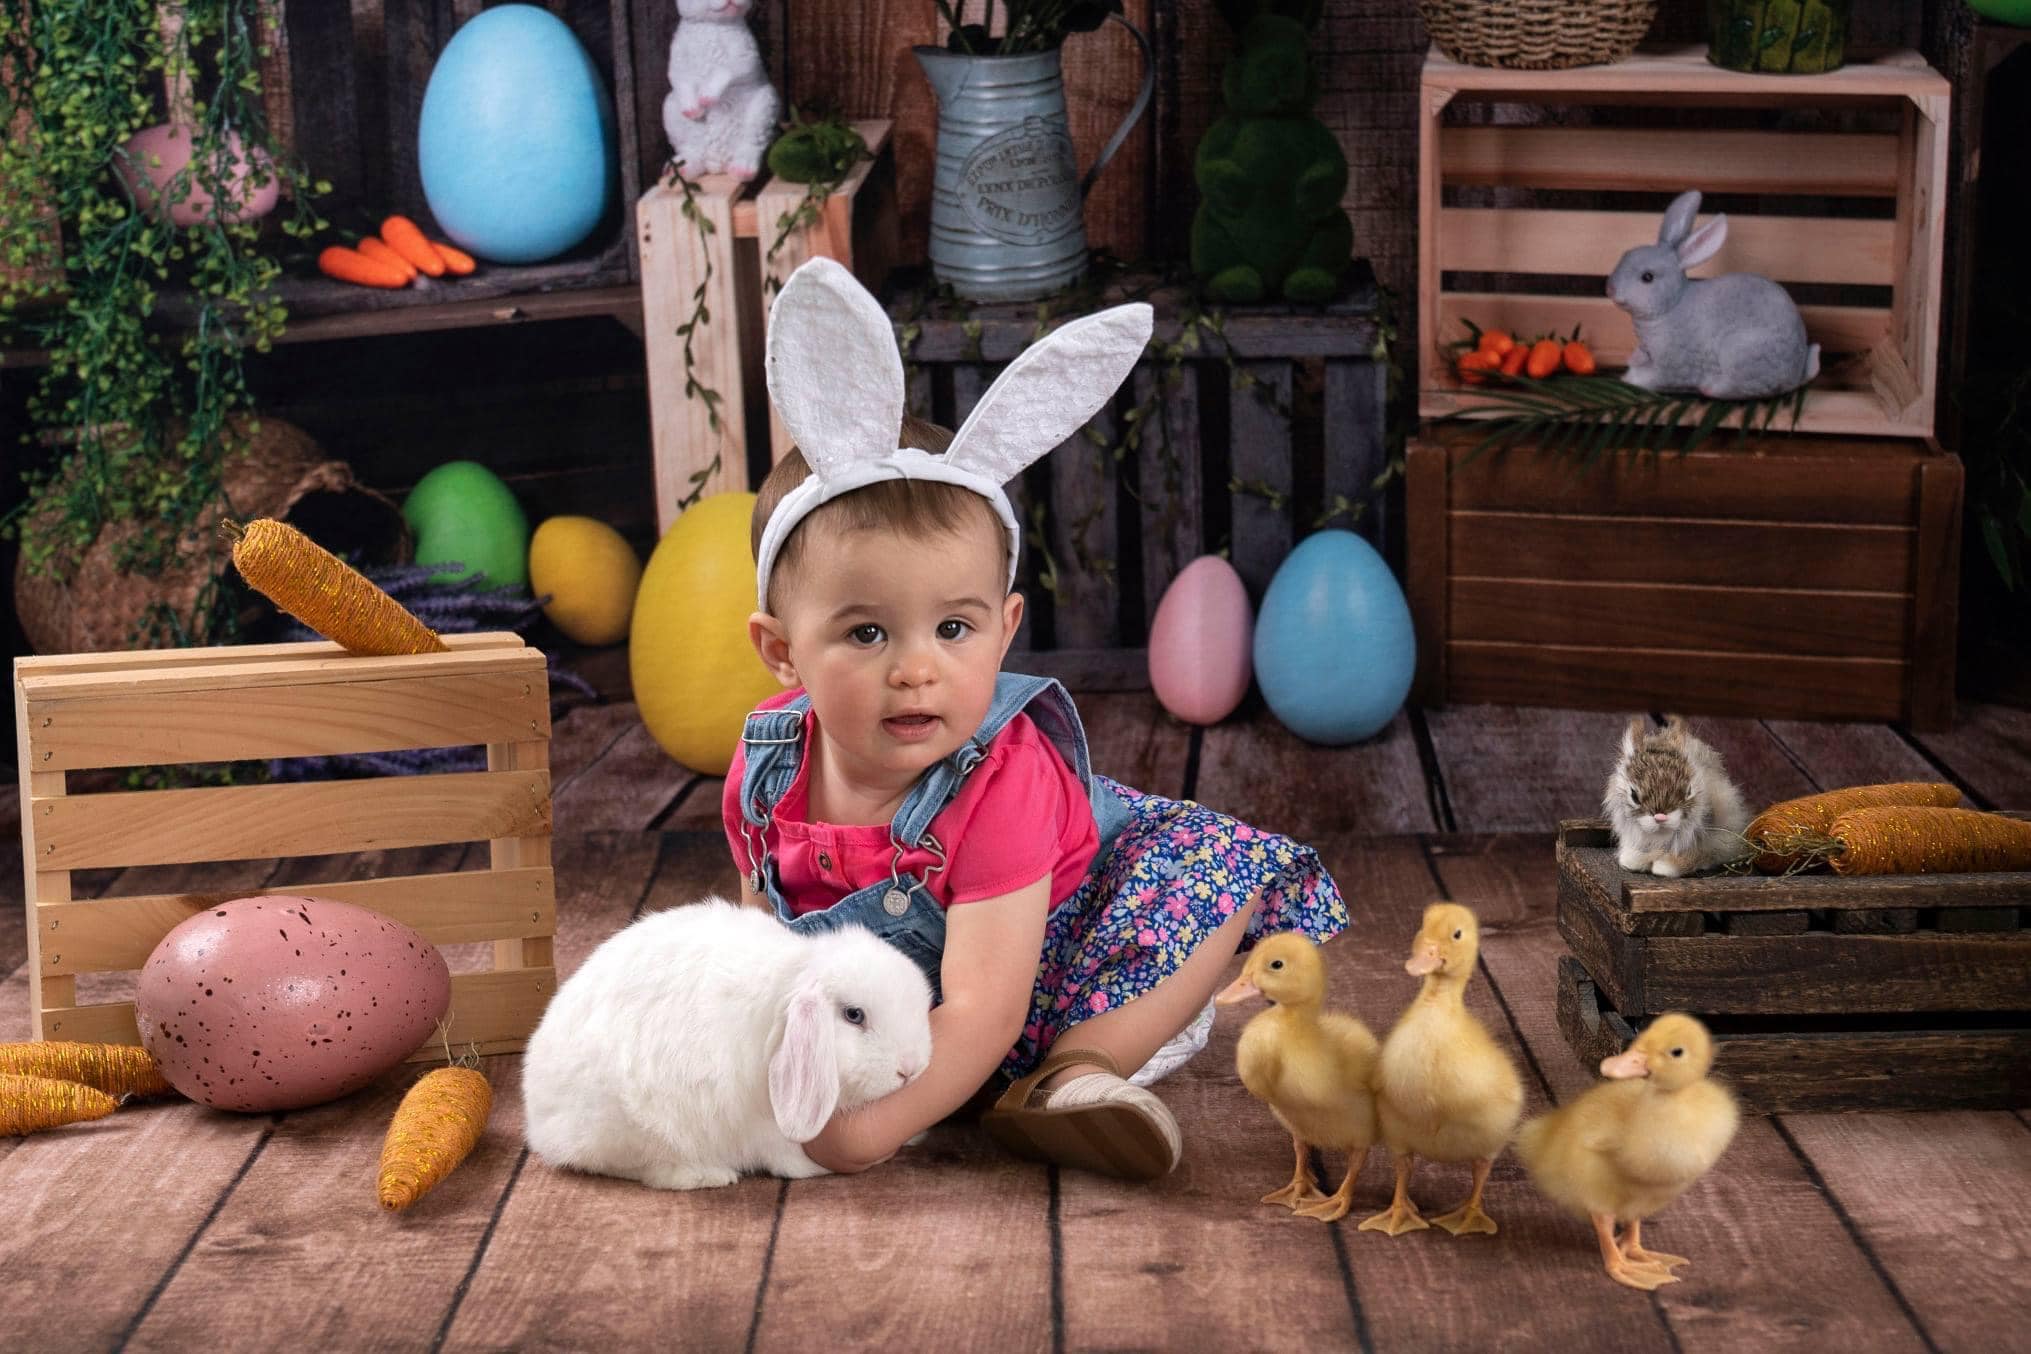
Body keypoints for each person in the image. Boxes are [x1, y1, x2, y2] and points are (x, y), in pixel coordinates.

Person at [721, 258, 1346, 1181]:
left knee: (1222, 873)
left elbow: (982, 1009)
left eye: (953, 626)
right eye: (864, 632)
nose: (916, 669)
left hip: (1041, 967)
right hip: (892, 1014)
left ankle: (1074, 1078)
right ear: (782, 651)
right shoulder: (768, 767)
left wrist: (865, 1132)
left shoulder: (1001, 778)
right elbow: (752, 945)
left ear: (1005, 627)